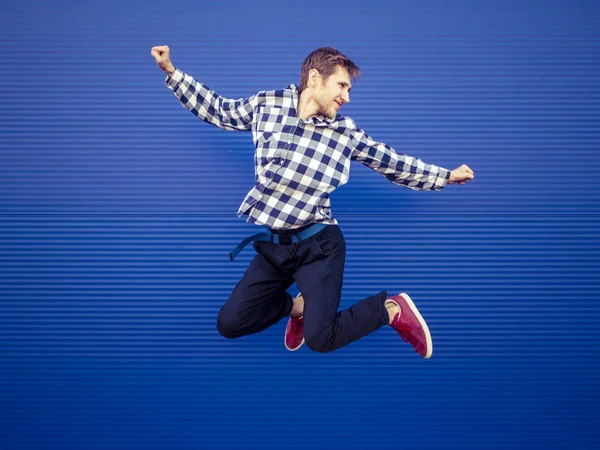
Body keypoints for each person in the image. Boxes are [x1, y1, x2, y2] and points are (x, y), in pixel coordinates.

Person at [151, 45, 474, 359]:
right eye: (342, 85)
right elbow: (219, 110)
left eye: (349, 89)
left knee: (322, 340)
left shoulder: (343, 132)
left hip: (318, 247)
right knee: (231, 324)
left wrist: (444, 176)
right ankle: (297, 308)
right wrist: (172, 72)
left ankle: (390, 309)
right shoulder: (268, 104)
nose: (346, 97)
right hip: (275, 247)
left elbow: (390, 161)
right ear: (316, 78)